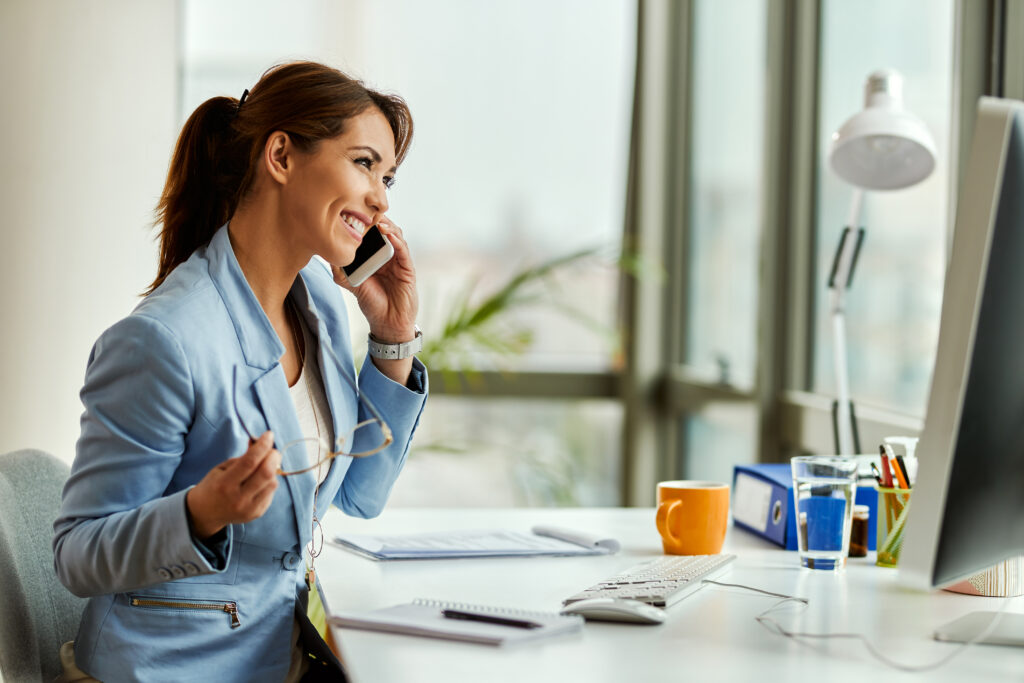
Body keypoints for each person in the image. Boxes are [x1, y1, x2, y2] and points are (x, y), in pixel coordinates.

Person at [52, 61, 427, 682]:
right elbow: (78, 554)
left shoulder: (321, 308)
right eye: (364, 164)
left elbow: (360, 496)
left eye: (387, 177)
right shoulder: (163, 341)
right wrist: (198, 513)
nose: (381, 198)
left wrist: (392, 335)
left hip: (275, 658)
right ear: (281, 155)